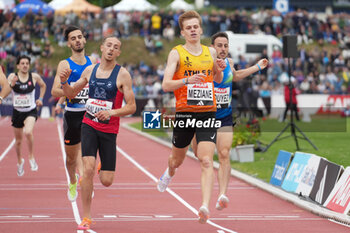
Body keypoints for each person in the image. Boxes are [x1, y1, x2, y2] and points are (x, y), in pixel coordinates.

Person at [156, 11, 227, 224]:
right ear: (183, 32)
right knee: (176, 160)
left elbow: (218, 77)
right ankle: (168, 173)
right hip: (185, 113)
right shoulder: (176, 53)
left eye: (196, 26)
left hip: (207, 111)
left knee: (206, 160)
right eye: (189, 28)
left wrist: (219, 68)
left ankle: (204, 206)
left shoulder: (211, 52)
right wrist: (187, 82)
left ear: (201, 29)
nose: (193, 30)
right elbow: (166, 85)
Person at [60, 36, 136, 230]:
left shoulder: (123, 75)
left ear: (119, 52)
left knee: (106, 181)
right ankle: (86, 217)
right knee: (87, 169)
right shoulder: (90, 70)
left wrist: (112, 112)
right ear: (102, 48)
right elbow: (70, 94)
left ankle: (103, 166)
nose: (111, 49)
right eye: (108, 45)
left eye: (116, 47)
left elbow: (132, 106)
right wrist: (64, 83)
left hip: (109, 130)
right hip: (89, 125)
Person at [192, 32, 268, 211]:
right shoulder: (203, 62)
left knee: (224, 153)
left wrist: (257, 67)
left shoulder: (229, 63)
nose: (223, 49)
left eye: (226, 45)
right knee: (201, 156)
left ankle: (222, 195)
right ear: (212, 47)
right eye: (219, 45)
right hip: (204, 116)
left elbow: (236, 75)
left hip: (224, 116)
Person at [51, 26, 96, 202]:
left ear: (84, 40)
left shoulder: (92, 62)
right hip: (72, 116)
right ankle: (72, 181)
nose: (77, 40)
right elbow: (55, 91)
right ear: (69, 43)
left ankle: (86, 182)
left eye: (79, 37)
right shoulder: (64, 64)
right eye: (73, 38)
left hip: (90, 114)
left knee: (88, 155)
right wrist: (70, 91)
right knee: (71, 159)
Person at [7, 55, 46, 176]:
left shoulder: (34, 77)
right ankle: (20, 161)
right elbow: (7, 90)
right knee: (18, 141)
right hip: (17, 112)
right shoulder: (12, 77)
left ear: (29, 65)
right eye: (22, 63)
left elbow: (43, 85)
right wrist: (11, 84)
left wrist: (40, 98)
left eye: (27, 63)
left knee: (28, 132)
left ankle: (31, 156)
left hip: (30, 110)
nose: (24, 65)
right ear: (18, 65)